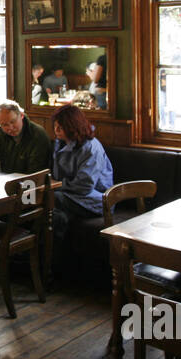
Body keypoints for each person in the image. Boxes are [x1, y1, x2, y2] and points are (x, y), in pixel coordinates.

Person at [49, 105, 114, 273]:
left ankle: (51, 270)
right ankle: (52, 269)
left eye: (61, 127)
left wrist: (57, 185)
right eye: (55, 125)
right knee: (57, 217)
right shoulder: (59, 143)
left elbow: (84, 186)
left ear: (72, 126)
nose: (56, 130)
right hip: (69, 196)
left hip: (97, 199)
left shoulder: (91, 147)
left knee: (51, 198)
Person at [0, 100, 51, 177]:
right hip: (5, 181)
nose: (10, 128)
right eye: (4, 125)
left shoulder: (38, 135)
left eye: (13, 122)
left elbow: (36, 174)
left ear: (21, 115)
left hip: (29, 185)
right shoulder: (0, 132)